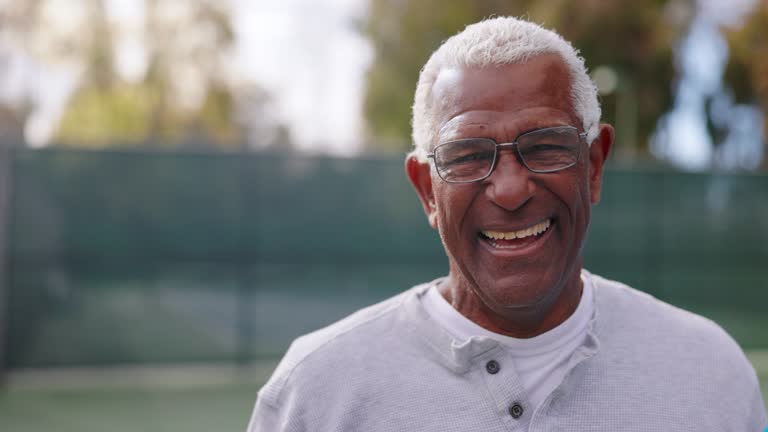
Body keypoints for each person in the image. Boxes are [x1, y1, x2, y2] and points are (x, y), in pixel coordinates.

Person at [247, 16, 767, 431]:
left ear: (594, 166)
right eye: (468, 155)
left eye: (545, 146)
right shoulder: (314, 393)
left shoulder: (712, 373)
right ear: (428, 190)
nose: (511, 188)